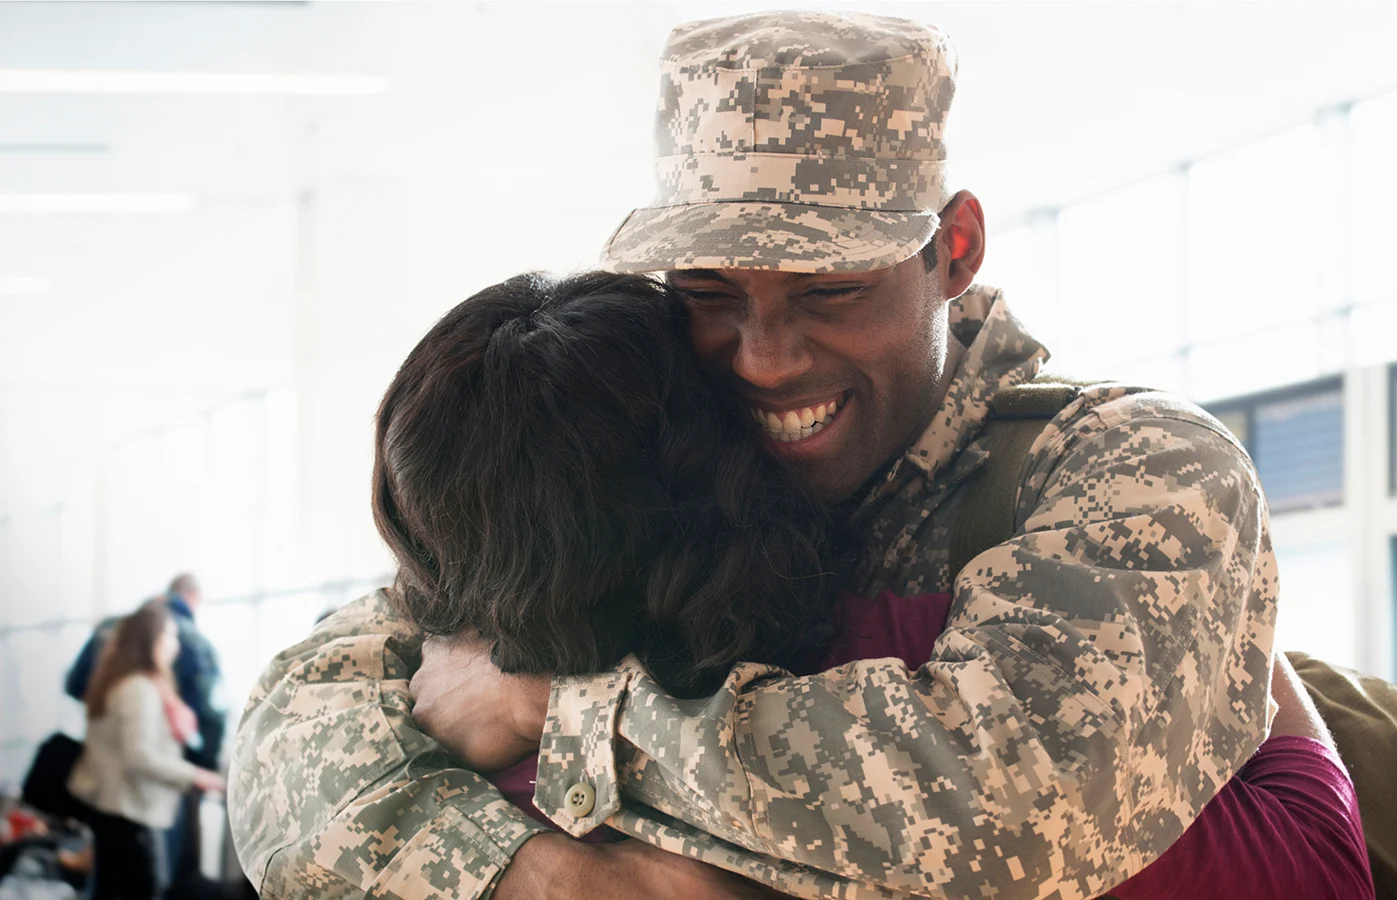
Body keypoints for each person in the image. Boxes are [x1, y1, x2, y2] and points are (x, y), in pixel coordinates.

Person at [231, 11, 1279, 899]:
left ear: (952, 250)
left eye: (830, 293)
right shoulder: (664, 431)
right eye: (710, 296)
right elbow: (305, 717)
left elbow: (1026, 800)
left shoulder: (1128, 469)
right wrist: (537, 878)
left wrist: (555, 708)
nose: (767, 362)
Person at [368, 270, 1371, 899]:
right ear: (724, 457)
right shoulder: (930, 670)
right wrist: (1253, 656)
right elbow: (1308, 868)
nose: (765, 363)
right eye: (718, 306)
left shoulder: (416, 741)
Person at [66, 573, 225, 888]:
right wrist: (197, 775)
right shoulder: (139, 688)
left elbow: (73, 685)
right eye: (169, 636)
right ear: (150, 639)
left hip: (112, 806)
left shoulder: (116, 682)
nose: (175, 646)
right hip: (133, 810)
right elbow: (140, 756)